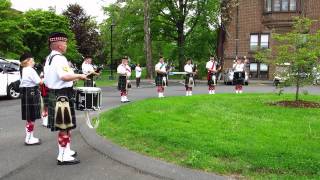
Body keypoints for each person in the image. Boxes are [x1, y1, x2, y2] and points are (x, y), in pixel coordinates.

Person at [44, 32, 87, 165]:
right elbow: (63, 76)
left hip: (56, 93)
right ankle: (62, 156)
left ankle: (66, 150)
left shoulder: (50, 57)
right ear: (59, 45)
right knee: (64, 126)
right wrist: (79, 76)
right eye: (65, 43)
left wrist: (73, 76)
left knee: (66, 125)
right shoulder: (59, 58)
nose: (66, 45)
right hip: (62, 94)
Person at [19, 52, 42, 146]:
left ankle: (30, 136)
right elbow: (39, 82)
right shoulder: (30, 70)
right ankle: (28, 138)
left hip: (26, 93)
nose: (34, 62)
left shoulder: (23, 69)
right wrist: (45, 79)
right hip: (31, 93)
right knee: (31, 117)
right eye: (32, 60)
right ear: (27, 61)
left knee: (29, 117)